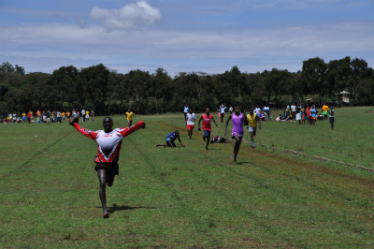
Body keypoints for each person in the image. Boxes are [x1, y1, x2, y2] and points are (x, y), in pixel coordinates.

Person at [69, 117, 146, 218]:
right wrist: (74, 124)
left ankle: (107, 180)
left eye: (109, 122)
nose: (107, 124)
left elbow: (133, 128)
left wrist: (141, 124)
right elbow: (84, 131)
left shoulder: (119, 132)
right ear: (103, 125)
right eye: (105, 123)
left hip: (113, 164)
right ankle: (105, 209)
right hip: (101, 163)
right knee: (102, 184)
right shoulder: (98, 134)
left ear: (112, 124)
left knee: (109, 183)